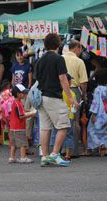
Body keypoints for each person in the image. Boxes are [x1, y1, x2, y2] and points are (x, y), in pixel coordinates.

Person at [35, 33, 78, 167]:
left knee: (45, 128)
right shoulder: (58, 59)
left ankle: (45, 156)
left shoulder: (40, 60)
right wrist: (70, 97)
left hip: (41, 97)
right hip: (54, 96)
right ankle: (55, 154)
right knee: (64, 125)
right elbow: (63, 78)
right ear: (58, 44)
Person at [63, 40, 89, 156]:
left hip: (61, 91)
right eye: (81, 49)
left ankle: (61, 150)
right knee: (74, 120)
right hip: (73, 91)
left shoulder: (60, 58)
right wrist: (83, 95)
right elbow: (83, 82)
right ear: (76, 48)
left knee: (61, 120)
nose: (81, 52)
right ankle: (72, 151)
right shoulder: (79, 61)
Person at [49, 74, 77, 161]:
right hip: (69, 116)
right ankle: (68, 155)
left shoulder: (57, 93)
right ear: (67, 82)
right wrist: (74, 115)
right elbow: (74, 107)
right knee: (69, 135)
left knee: (55, 134)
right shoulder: (71, 93)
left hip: (57, 115)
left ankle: (55, 152)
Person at [8, 84, 36, 164]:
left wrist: (27, 112)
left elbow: (19, 113)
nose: (25, 95)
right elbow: (21, 116)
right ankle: (23, 157)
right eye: (23, 93)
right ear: (18, 94)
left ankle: (12, 157)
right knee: (23, 143)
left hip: (12, 127)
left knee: (13, 144)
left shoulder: (14, 102)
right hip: (19, 127)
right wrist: (31, 114)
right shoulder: (19, 104)